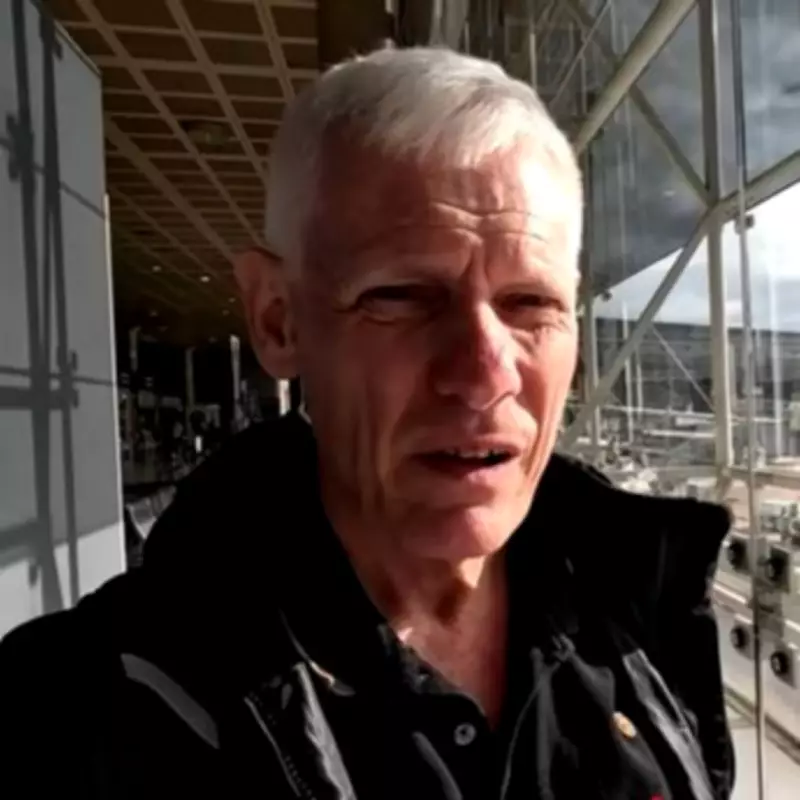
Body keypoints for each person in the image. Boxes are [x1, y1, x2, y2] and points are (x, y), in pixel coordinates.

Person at [0, 47, 733, 799]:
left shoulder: (648, 620)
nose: (485, 374)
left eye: (531, 304)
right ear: (278, 319)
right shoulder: (66, 720)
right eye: (402, 297)